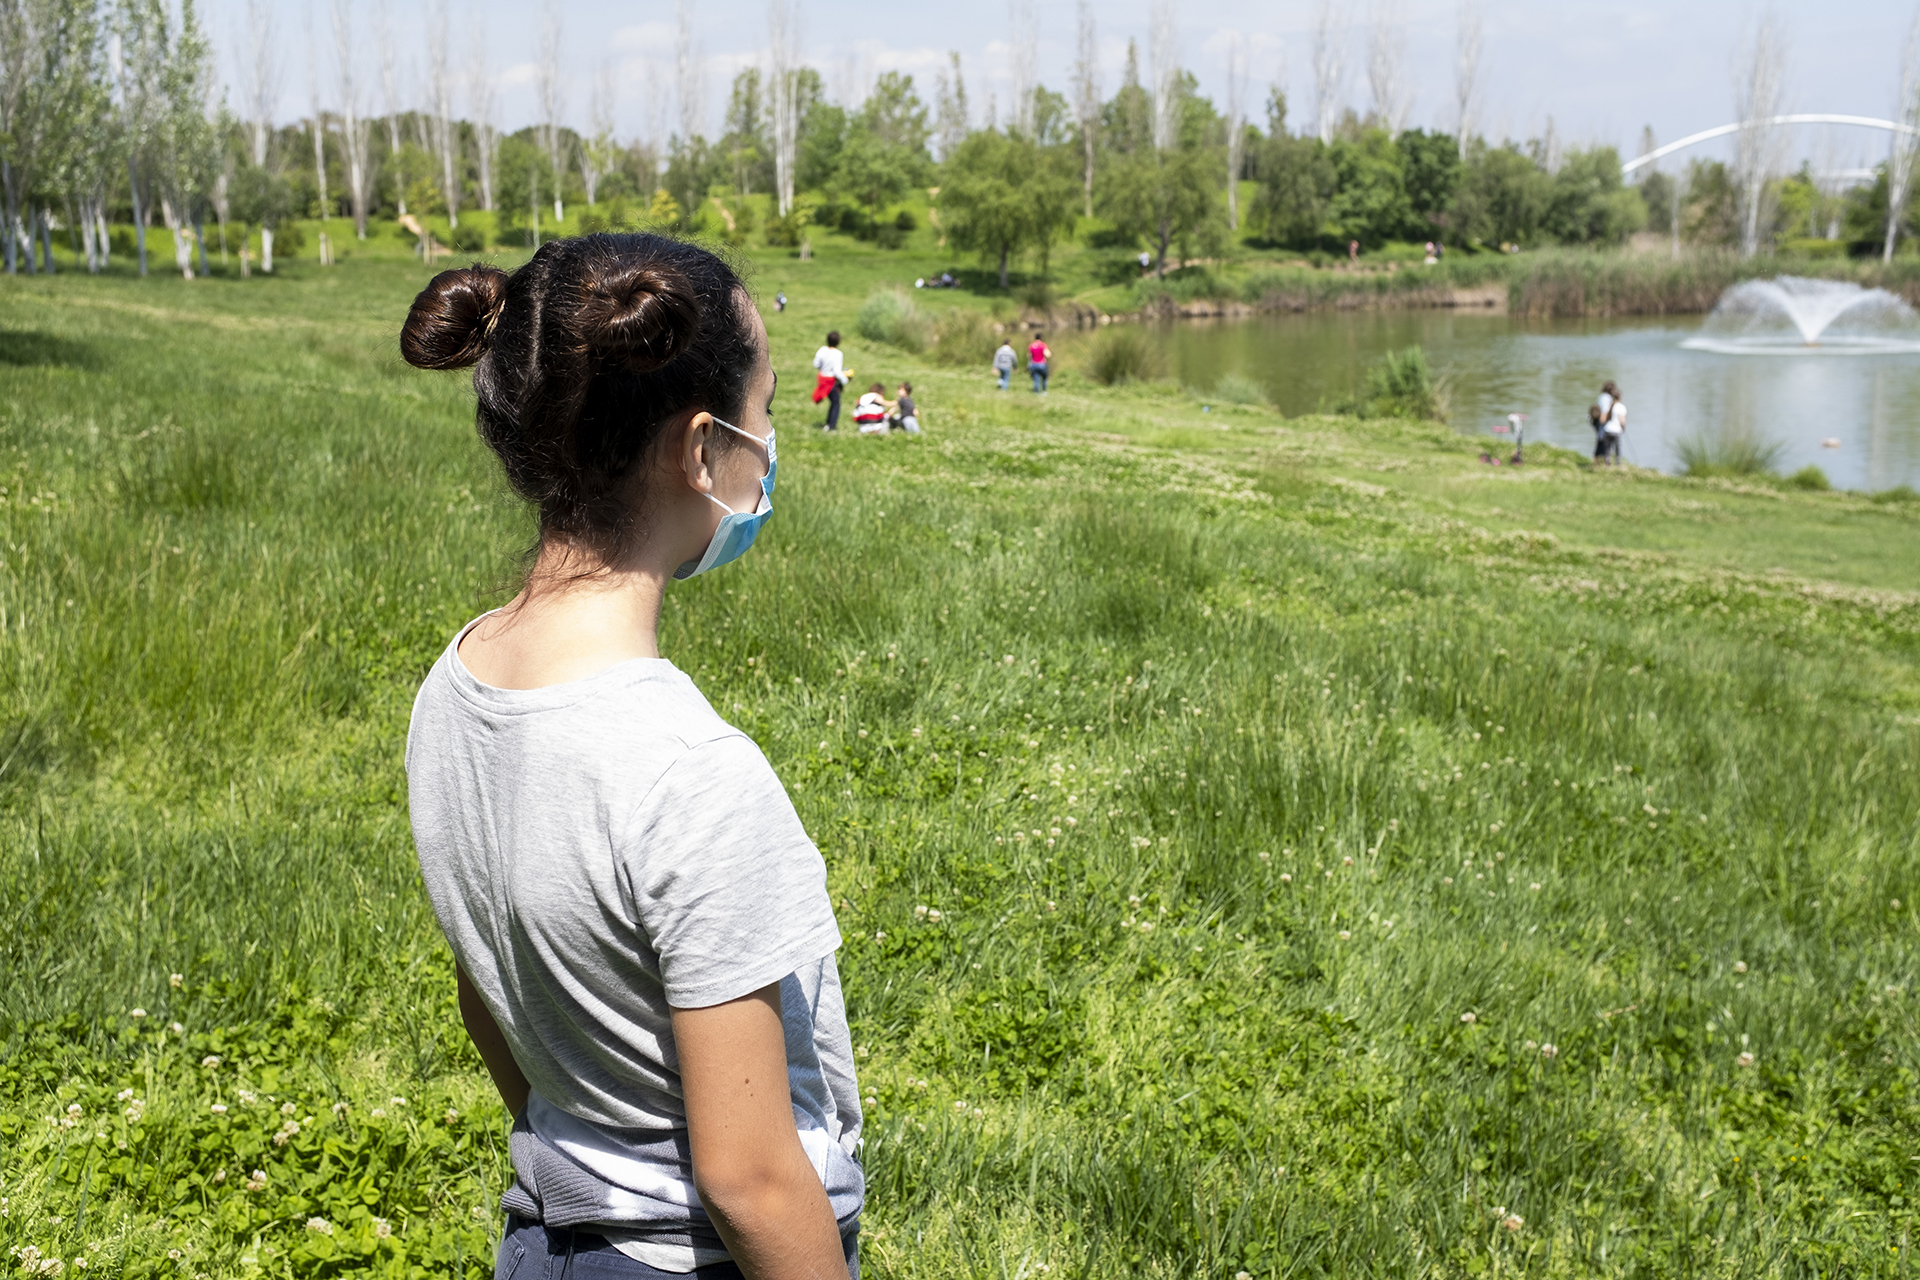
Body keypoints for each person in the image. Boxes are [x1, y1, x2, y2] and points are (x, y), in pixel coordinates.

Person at [397, 235, 862, 1280]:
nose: (774, 440)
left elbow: (488, 990)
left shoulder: (456, 684)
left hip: (549, 1237)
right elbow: (750, 1178)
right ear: (703, 448)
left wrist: (585, 1153)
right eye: (768, 405)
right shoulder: (690, 770)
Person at [813, 331, 848, 431]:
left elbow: (816, 364)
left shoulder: (822, 350)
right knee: (835, 403)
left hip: (822, 378)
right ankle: (831, 426)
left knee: (832, 401)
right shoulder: (838, 354)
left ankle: (829, 424)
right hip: (831, 381)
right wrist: (844, 380)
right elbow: (837, 371)